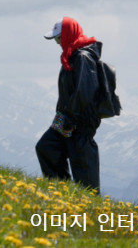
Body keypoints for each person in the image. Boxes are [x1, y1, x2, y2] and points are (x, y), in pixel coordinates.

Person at [35, 17, 102, 194]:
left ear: (68, 35)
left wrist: (70, 118)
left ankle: (91, 208)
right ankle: (61, 191)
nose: (57, 42)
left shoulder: (83, 56)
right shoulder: (71, 55)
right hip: (66, 119)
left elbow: (84, 91)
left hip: (79, 122)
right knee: (46, 148)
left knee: (84, 171)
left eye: (59, 38)